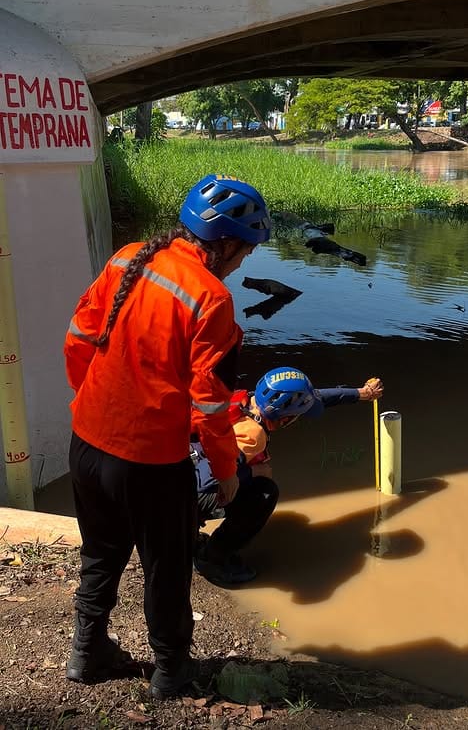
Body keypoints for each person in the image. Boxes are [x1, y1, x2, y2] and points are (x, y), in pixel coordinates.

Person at [63, 174, 270, 699]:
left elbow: (79, 339)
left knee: (101, 552)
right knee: (167, 569)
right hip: (150, 462)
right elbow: (212, 404)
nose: (244, 262)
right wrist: (226, 473)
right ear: (223, 244)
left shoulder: (127, 258)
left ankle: (87, 653)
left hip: (87, 441)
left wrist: (97, 402)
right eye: (244, 251)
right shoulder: (212, 299)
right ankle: (172, 672)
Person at [192, 367, 384, 587]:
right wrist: (253, 472)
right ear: (285, 419)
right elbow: (207, 480)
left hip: (173, 471)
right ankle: (211, 558)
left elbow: (315, 397)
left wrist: (360, 393)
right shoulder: (252, 434)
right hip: (183, 492)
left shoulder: (247, 400)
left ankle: (185, 530)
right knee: (264, 493)